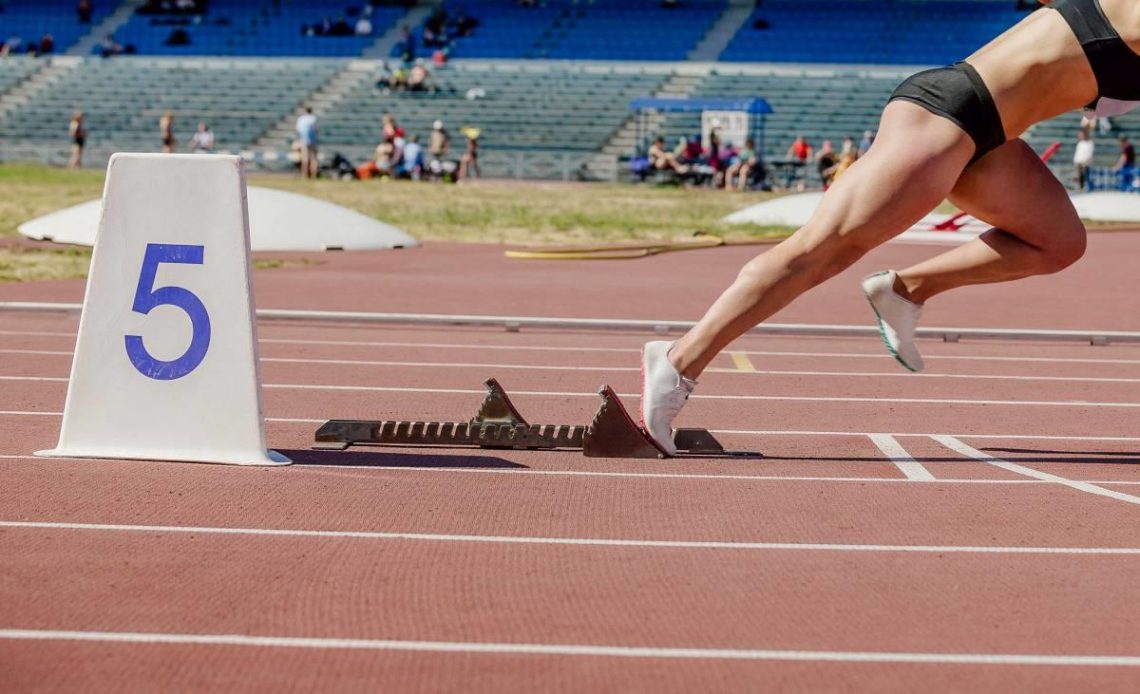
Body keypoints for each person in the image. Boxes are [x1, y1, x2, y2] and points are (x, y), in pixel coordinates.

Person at [639, 0, 1123, 455]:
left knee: (1057, 241)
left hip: (991, 140)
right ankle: (680, 360)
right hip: (949, 115)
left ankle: (908, 289)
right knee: (818, 253)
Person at [296, 107, 319, 179]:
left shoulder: (301, 119)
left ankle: (304, 175)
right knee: (313, 158)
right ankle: (313, 175)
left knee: (305, 157)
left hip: (304, 139)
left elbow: (299, 130)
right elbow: (317, 129)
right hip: (312, 140)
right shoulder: (313, 119)